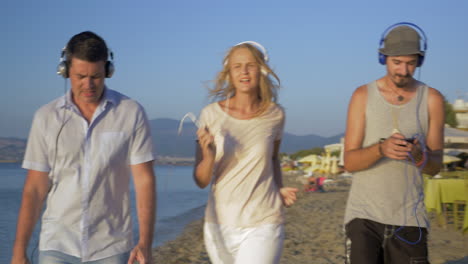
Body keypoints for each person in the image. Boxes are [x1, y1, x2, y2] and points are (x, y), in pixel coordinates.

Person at [11, 31, 156, 264]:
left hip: (111, 246)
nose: (88, 85)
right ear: (65, 70)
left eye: (96, 76)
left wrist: (146, 243)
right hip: (57, 245)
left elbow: (144, 181)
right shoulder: (46, 118)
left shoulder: (131, 112)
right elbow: (35, 189)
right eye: (80, 76)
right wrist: (19, 251)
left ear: (108, 71)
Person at [343, 23, 444, 264]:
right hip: (363, 216)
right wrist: (381, 149)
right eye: (396, 62)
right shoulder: (362, 96)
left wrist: (421, 156)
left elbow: (436, 165)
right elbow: (349, 162)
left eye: (410, 63)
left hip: (411, 219)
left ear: (420, 61)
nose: (403, 70)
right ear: (383, 58)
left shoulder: (432, 99)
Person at [193, 41, 298, 264]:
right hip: (219, 222)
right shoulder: (210, 115)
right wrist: (210, 157)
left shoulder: (275, 115)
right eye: (237, 66)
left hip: (264, 218)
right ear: (228, 73)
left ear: (261, 69)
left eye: (250, 65)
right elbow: (201, 180)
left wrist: (278, 188)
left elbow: (272, 159)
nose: (244, 72)